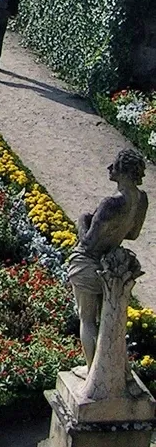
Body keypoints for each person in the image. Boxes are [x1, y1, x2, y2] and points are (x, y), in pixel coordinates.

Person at [67, 148, 148, 368]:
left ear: (123, 171)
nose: (109, 168)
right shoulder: (141, 200)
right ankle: (110, 369)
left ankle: (94, 374)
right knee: (108, 322)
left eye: (114, 165)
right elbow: (132, 234)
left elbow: (88, 242)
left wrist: (82, 220)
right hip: (111, 266)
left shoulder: (110, 204)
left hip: (88, 262)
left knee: (87, 320)